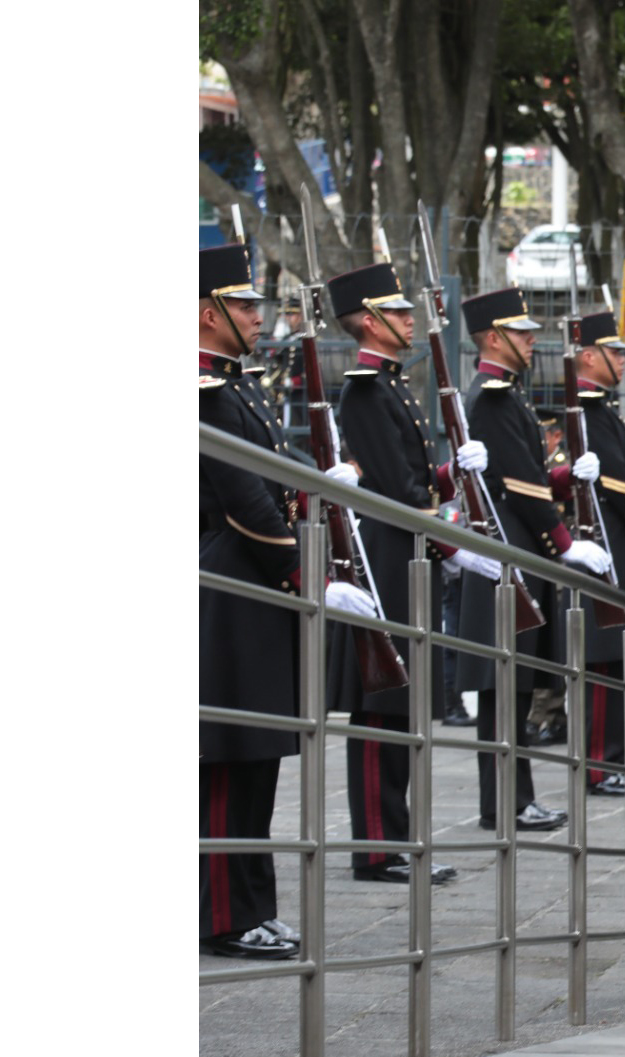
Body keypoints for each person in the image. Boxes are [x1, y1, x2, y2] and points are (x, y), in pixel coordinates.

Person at [199, 242, 375, 958]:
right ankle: (221, 914)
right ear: (204, 313)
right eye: (241, 304)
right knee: (226, 761)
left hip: (257, 596)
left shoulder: (235, 386)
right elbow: (246, 504)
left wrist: (323, 477)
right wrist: (309, 574)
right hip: (231, 592)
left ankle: (252, 907)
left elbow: (277, 466)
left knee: (257, 761)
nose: (254, 315)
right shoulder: (201, 392)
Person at [324, 259, 499, 883]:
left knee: (401, 710)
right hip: (389, 557)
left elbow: (416, 480)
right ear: (370, 323)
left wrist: (457, 471)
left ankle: (395, 839)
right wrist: (453, 547)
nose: (408, 319)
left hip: (408, 553)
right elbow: (396, 493)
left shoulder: (391, 384)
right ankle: (376, 848)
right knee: (382, 707)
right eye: (398, 312)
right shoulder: (366, 389)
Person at [455, 286, 607, 834]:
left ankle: (514, 800)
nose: (532, 337)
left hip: (518, 552)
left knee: (513, 689)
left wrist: (568, 477)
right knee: (504, 689)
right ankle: (507, 802)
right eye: (521, 331)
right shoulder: (493, 397)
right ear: (494, 338)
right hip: (510, 554)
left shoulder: (506, 394)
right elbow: (520, 487)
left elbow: (532, 476)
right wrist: (565, 543)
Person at [565, 309, 625, 797]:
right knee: (600, 663)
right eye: (614, 352)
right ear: (590, 356)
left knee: (615, 660)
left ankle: (613, 760)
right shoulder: (586, 412)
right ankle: (599, 765)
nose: (622, 360)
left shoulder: (600, 410)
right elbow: (620, 484)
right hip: (600, 546)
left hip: (615, 545)